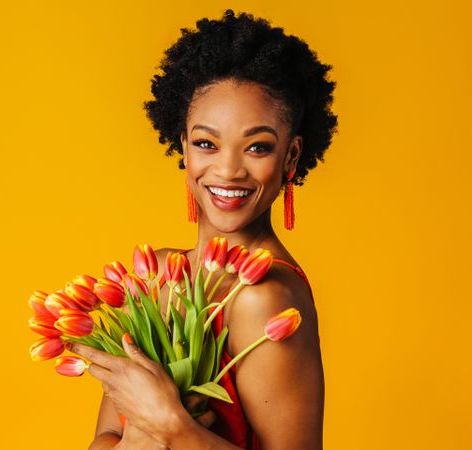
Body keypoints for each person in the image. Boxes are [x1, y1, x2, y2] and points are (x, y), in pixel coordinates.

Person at [68, 9, 337, 449]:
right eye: (206, 143)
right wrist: (140, 431)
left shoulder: (264, 299)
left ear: (290, 157)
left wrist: (171, 426)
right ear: (184, 148)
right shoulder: (154, 276)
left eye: (257, 146)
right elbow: (106, 437)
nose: (228, 170)